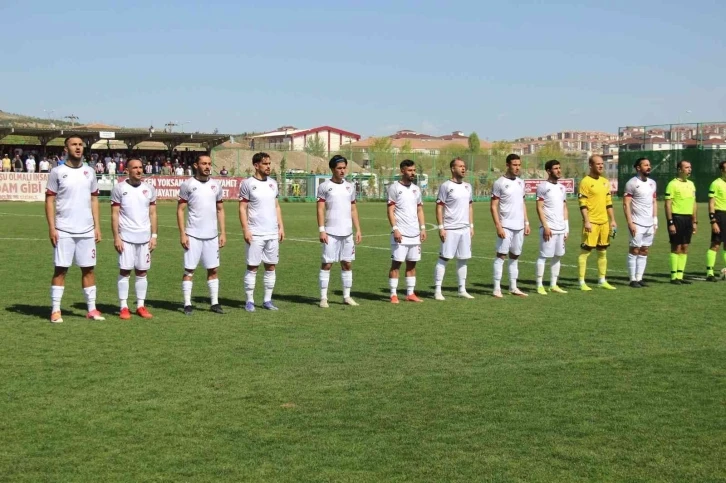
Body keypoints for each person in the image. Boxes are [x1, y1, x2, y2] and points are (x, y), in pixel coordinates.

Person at [45, 136, 104, 323]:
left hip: (86, 230)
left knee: (89, 269)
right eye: (74, 145)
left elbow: (94, 199)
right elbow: (49, 201)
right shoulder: (57, 172)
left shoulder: (90, 172)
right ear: (66, 149)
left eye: (80, 145)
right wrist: (52, 227)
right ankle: (55, 310)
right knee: (61, 269)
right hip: (64, 229)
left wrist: (97, 226)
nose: (78, 148)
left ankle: (92, 309)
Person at [177, 154, 226, 315]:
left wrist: (223, 232)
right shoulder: (188, 185)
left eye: (209, 164)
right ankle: (187, 304)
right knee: (189, 270)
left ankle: (215, 303)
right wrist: (183, 233)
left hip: (212, 235)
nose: (207, 167)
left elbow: (220, 210)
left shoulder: (216, 185)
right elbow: (180, 210)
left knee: (213, 269)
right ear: (196, 165)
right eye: (204, 163)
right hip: (193, 235)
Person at [111, 158, 157, 319]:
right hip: (126, 237)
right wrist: (116, 237)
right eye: (135, 168)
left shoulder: (149, 189)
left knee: (142, 272)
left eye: (140, 167)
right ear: (127, 171)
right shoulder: (119, 188)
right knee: (125, 271)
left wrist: (154, 236)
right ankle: (123, 307)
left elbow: (153, 213)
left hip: (144, 238)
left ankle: (140, 306)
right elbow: (115, 214)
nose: (139, 170)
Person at [239, 152, 285, 311]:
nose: (268, 166)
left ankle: (267, 300)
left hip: (272, 233)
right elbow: (242, 208)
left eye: (269, 163)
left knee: (271, 267)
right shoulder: (248, 184)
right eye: (265, 164)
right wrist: (246, 229)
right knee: (252, 267)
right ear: (256, 165)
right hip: (255, 233)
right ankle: (249, 301)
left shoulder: (273, 183)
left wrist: (281, 226)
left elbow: (276, 206)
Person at [317, 154, 362, 308]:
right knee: (327, 264)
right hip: (330, 232)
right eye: (339, 168)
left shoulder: (350, 186)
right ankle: (323, 298)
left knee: (347, 264)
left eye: (344, 168)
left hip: (347, 233)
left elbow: (353, 209)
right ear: (332, 169)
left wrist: (358, 229)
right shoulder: (324, 186)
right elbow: (320, 209)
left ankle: (347, 296)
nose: (342, 171)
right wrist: (322, 230)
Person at [433, 157, 474, 300]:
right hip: (450, 228)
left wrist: (471, 225)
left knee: (463, 259)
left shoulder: (468, 186)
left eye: (464, 166)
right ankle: (437, 290)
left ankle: (462, 289)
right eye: (460, 166)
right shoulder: (446, 186)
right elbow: (439, 207)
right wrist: (441, 227)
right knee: (444, 258)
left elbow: (470, 206)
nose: (463, 168)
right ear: (452, 169)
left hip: (465, 228)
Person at [387, 159, 427, 303]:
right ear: (402, 171)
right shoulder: (394, 188)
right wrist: (395, 229)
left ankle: (410, 293)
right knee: (396, 264)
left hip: (414, 234)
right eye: (410, 170)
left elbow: (419, 209)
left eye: (414, 170)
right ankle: (393, 294)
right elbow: (390, 210)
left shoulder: (416, 189)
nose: (413, 173)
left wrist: (423, 228)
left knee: (412, 264)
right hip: (401, 234)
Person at [491, 154, 530, 298]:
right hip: (506, 225)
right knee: (501, 255)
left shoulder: (521, 182)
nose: (517, 167)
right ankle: (496, 288)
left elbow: (522, 203)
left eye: (519, 165)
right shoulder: (499, 183)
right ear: (507, 165)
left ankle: (513, 287)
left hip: (519, 226)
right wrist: (498, 226)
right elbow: (493, 206)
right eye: (514, 165)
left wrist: (526, 222)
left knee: (515, 256)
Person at [577, 155, 617, 290]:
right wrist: (586, 221)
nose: (600, 166)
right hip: (591, 222)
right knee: (585, 252)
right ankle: (581, 282)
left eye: (602, 164)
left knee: (602, 251)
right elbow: (582, 204)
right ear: (590, 165)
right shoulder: (585, 182)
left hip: (604, 223)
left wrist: (612, 220)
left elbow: (608, 203)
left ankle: (602, 280)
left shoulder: (605, 182)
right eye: (597, 164)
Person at [535, 159, 569, 294]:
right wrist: (545, 226)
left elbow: (564, 207)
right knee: (544, 256)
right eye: (556, 168)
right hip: (549, 228)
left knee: (558, 256)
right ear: (548, 171)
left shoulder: (562, 188)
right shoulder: (543, 187)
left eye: (559, 168)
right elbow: (539, 207)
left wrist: (566, 227)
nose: (559, 170)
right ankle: (539, 285)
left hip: (561, 228)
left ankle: (553, 285)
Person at [623, 158, 658, 288]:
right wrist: (630, 223)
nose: (649, 167)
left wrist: (655, 220)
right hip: (637, 223)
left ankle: (639, 278)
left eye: (649, 165)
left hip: (649, 224)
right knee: (634, 249)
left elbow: (654, 202)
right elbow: (626, 204)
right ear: (638, 168)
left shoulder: (652, 183)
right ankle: (632, 279)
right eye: (645, 165)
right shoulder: (632, 183)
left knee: (644, 250)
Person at [664, 160, 697, 284]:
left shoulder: (691, 184)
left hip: (688, 219)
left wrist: (694, 221)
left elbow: (694, 203)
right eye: (687, 167)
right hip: (677, 218)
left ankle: (680, 276)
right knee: (676, 247)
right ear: (679, 169)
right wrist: (670, 222)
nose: (689, 169)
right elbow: (668, 205)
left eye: (690, 167)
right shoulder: (672, 184)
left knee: (685, 247)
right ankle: (674, 277)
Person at [706, 161, 726, 281]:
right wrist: (713, 221)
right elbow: (711, 204)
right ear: (722, 171)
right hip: (720, 216)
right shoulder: (715, 184)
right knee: (716, 244)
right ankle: (710, 273)